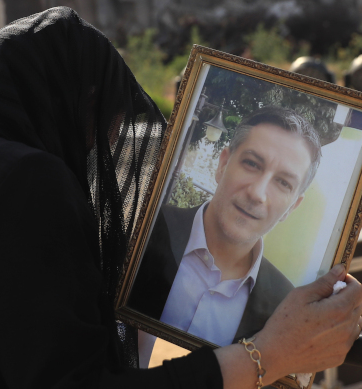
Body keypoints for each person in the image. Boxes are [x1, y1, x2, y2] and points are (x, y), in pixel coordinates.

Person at [0, 7, 362, 389]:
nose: (104, 148)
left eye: (286, 182)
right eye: (105, 127)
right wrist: (266, 357)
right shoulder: (26, 181)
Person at [129, 107, 321, 350]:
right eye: (251, 163)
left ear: (292, 207)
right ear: (222, 164)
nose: (257, 193)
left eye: (283, 183)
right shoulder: (141, 229)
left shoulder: (287, 308)